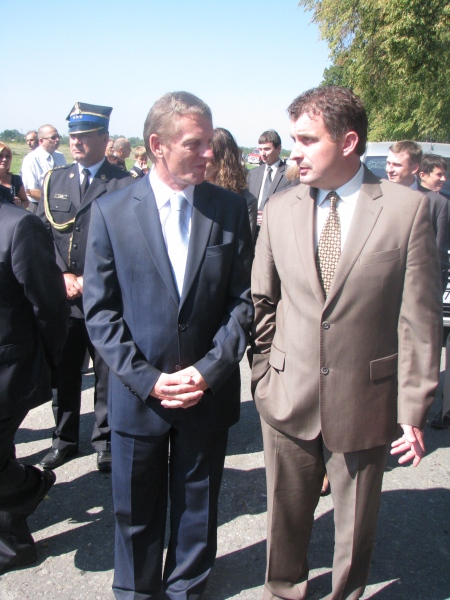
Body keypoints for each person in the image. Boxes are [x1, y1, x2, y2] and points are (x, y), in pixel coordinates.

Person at [250, 85, 441, 600]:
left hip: (365, 397)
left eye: (307, 140)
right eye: (293, 139)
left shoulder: (406, 210)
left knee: (355, 529)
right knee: (285, 519)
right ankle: (283, 590)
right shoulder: (280, 207)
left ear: (349, 141)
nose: (295, 152)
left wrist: (413, 409)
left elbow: (419, 320)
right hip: (287, 394)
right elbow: (263, 301)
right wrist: (264, 376)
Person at [83, 91, 253, 599]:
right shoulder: (112, 211)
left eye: (210, 141)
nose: (209, 153)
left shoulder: (229, 209)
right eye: (195, 143)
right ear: (157, 145)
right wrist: (149, 379)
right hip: (138, 397)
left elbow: (244, 302)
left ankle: (187, 591)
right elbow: (101, 312)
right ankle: (136, 591)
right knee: (134, 511)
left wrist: (209, 370)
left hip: (206, 393)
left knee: (197, 510)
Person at [37, 103, 135, 472]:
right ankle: (63, 440)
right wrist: (61, 274)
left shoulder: (124, 183)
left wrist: (90, 279)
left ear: (104, 138)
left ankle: (105, 441)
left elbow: (129, 243)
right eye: (73, 135)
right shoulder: (55, 180)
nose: (75, 142)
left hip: (105, 297)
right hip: (64, 297)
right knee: (64, 372)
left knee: (107, 373)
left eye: (84, 136)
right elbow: (40, 235)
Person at [0, 199, 69, 574]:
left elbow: (49, 303)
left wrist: (48, 360)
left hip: (7, 372)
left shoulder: (18, 226)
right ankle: (25, 501)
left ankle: (29, 489)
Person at [386, 141, 448, 291]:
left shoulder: (436, 202)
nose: (389, 169)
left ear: (414, 168)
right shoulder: (375, 195)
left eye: (397, 165)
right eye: (388, 163)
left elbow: (438, 253)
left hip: (416, 287)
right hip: (381, 286)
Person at [205, 126, 258, 240]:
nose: (201, 160)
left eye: (208, 156)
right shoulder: (192, 192)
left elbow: (243, 246)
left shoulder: (245, 201)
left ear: (221, 160)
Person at [247, 129, 298, 233]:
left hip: (276, 231)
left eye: (267, 149)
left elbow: (293, 209)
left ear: (278, 149)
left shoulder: (291, 175)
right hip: (251, 231)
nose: (262, 153)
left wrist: (269, 217)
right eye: (260, 149)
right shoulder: (252, 174)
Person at [21, 124, 66, 213]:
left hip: (60, 207)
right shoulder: (31, 159)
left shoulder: (60, 156)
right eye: (53, 137)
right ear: (41, 141)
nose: (57, 140)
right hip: (38, 207)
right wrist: (53, 201)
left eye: (58, 136)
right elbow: (30, 191)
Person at [0, 143, 29, 208]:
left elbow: (26, 201)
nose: (4, 159)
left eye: (7, 156)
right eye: (0, 156)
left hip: (11, 214)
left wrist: (21, 204)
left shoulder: (16, 180)